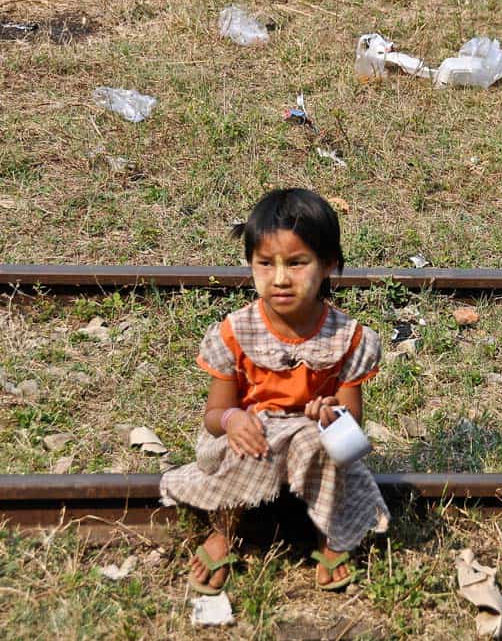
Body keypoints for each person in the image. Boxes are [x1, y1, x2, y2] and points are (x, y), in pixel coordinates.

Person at [161, 188, 389, 593]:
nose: (280, 278)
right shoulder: (235, 332)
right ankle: (224, 530)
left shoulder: (349, 337)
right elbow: (214, 416)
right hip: (253, 435)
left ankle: (329, 534)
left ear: (328, 265)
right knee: (249, 437)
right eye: (265, 264)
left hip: (310, 435)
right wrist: (233, 420)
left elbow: (353, 426)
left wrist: (333, 413)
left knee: (329, 440)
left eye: (297, 263)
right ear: (250, 265)